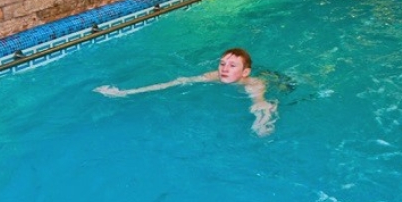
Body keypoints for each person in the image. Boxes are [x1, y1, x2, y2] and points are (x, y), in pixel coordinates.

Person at [95, 48, 277, 136]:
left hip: (278, 82)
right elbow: (177, 82)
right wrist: (127, 92)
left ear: (245, 72)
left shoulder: (253, 84)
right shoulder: (214, 76)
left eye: (232, 66)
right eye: (222, 64)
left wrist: (262, 123)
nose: (225, 69)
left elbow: (261, 104)